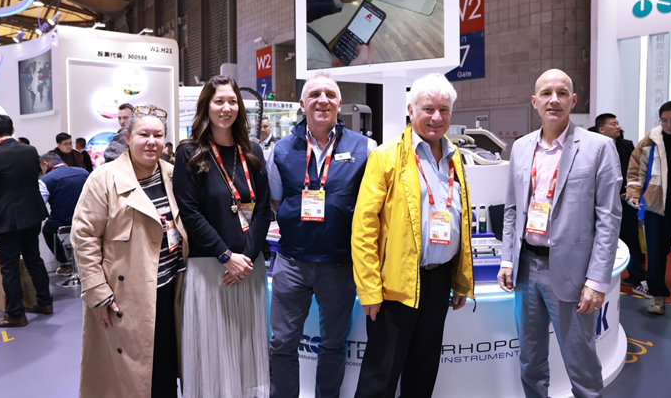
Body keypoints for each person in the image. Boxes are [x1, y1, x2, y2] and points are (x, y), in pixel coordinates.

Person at [498, 69, 622, 398]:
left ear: (573, 100)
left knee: (580, 362)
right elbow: (512, 210)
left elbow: (609, 218)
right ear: (534, 101)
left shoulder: (599, 147)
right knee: (530, 359)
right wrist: (507, 260)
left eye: (562, 93)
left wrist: (596, 281)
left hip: (572, 273)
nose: (554, 100)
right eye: (546, 93)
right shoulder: (521, 148)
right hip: (526, 269)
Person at [351, 73, 473, 398]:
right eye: (428, 109)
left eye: (444, 110)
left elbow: (459, 221)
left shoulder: (455, 158)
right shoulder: (386, 156)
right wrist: (369, 289)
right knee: (380, 379)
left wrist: (460, 280)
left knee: (423, 374)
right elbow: (364, 228)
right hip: (396, 285)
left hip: (439, 282)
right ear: (411, 110)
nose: (436, 117)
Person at [266, 72, 376, 398]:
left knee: (333, 344)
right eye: (314, 94)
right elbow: (276, 201)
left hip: (339, 264)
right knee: (282, 344)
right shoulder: (281, 150)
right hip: (291, 262)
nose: (322, 100)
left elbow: (371, 206)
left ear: (340, 103)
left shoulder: (365, 148)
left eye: (329, 94)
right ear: (302, 104)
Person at [71, 105, 187, 398]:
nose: (151, 142)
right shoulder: (104, 178)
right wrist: (97, 293)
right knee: (130, 377)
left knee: (165, 368)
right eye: (143, 134)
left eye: (158, 135)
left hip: (171, 290)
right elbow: (84, 237)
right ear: (127, 137)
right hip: (123, 298)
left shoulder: (173, 175)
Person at [173, 76, 272, 398]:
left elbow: (263, 209)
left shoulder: (252, 151)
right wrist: (226, 257)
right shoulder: (189, 153)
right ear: (206, 106)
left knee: (245, 347)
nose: (226, 108)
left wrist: (247, 259)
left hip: (248, 269)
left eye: (232, 101)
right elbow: (190, 213)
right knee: (213, 351)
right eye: (219, 101)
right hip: (210, 269)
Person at [0, 115, 52, 327]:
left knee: (9, 266)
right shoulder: (30, 150)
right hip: (32, 213)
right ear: (12, 129)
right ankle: (45, 303)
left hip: (8, 218)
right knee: (34, 258)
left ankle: (16, 314)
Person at [626, 100, 671, 315]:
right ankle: (657, 296)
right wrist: (633, 193)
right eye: (664, 120)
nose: (668, 125)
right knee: (655, 255)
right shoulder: (652, 139)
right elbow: (636, 168)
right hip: (657, 207)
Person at [595, 113, 648, 296]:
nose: (617, 126)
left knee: (631, 239)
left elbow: (635, 170)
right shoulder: (594, 146)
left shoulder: (626, 145)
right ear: (601, 129)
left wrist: (632, 190)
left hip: (625, 201)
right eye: (613, 124)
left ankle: (637, 277)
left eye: (617, 123)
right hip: (601, 203)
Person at [38, 152, 89, 276]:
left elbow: (39, 203)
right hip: (85, 220)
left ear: (45, 164)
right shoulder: (83, 173)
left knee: (47, 231)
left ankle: (65, 264)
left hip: (62, 222)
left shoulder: (45, 180)